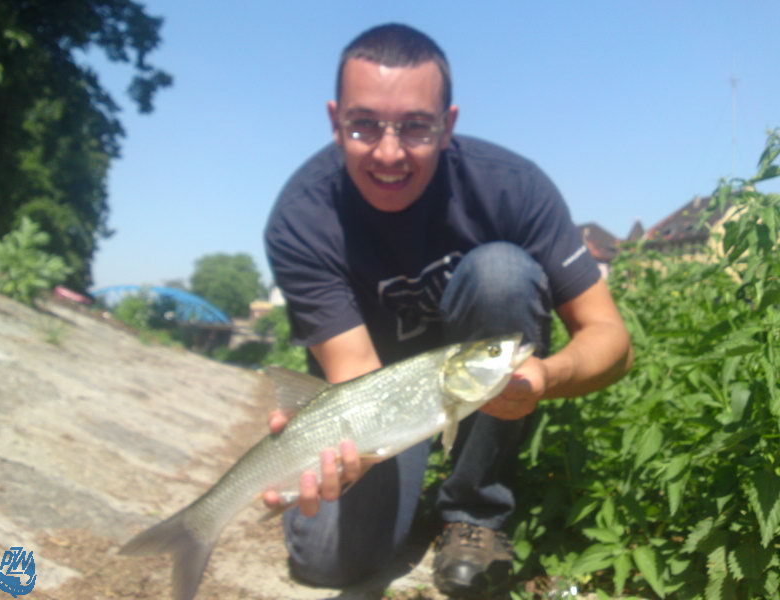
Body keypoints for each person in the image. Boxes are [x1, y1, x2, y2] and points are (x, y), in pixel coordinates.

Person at [262, 23, 633, 597]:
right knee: (325, 562)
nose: (389, 153)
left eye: (415, 126)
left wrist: (546, 377)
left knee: (502, 272)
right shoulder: (302, 217)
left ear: (448, 124)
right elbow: (354, 370)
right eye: (363, 125)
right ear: (335, 121)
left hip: (472, 380)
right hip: (380, 400)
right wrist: (353, 452)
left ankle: (474, 512)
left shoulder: (512, 188)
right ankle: (408, 492)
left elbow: (611, 339)